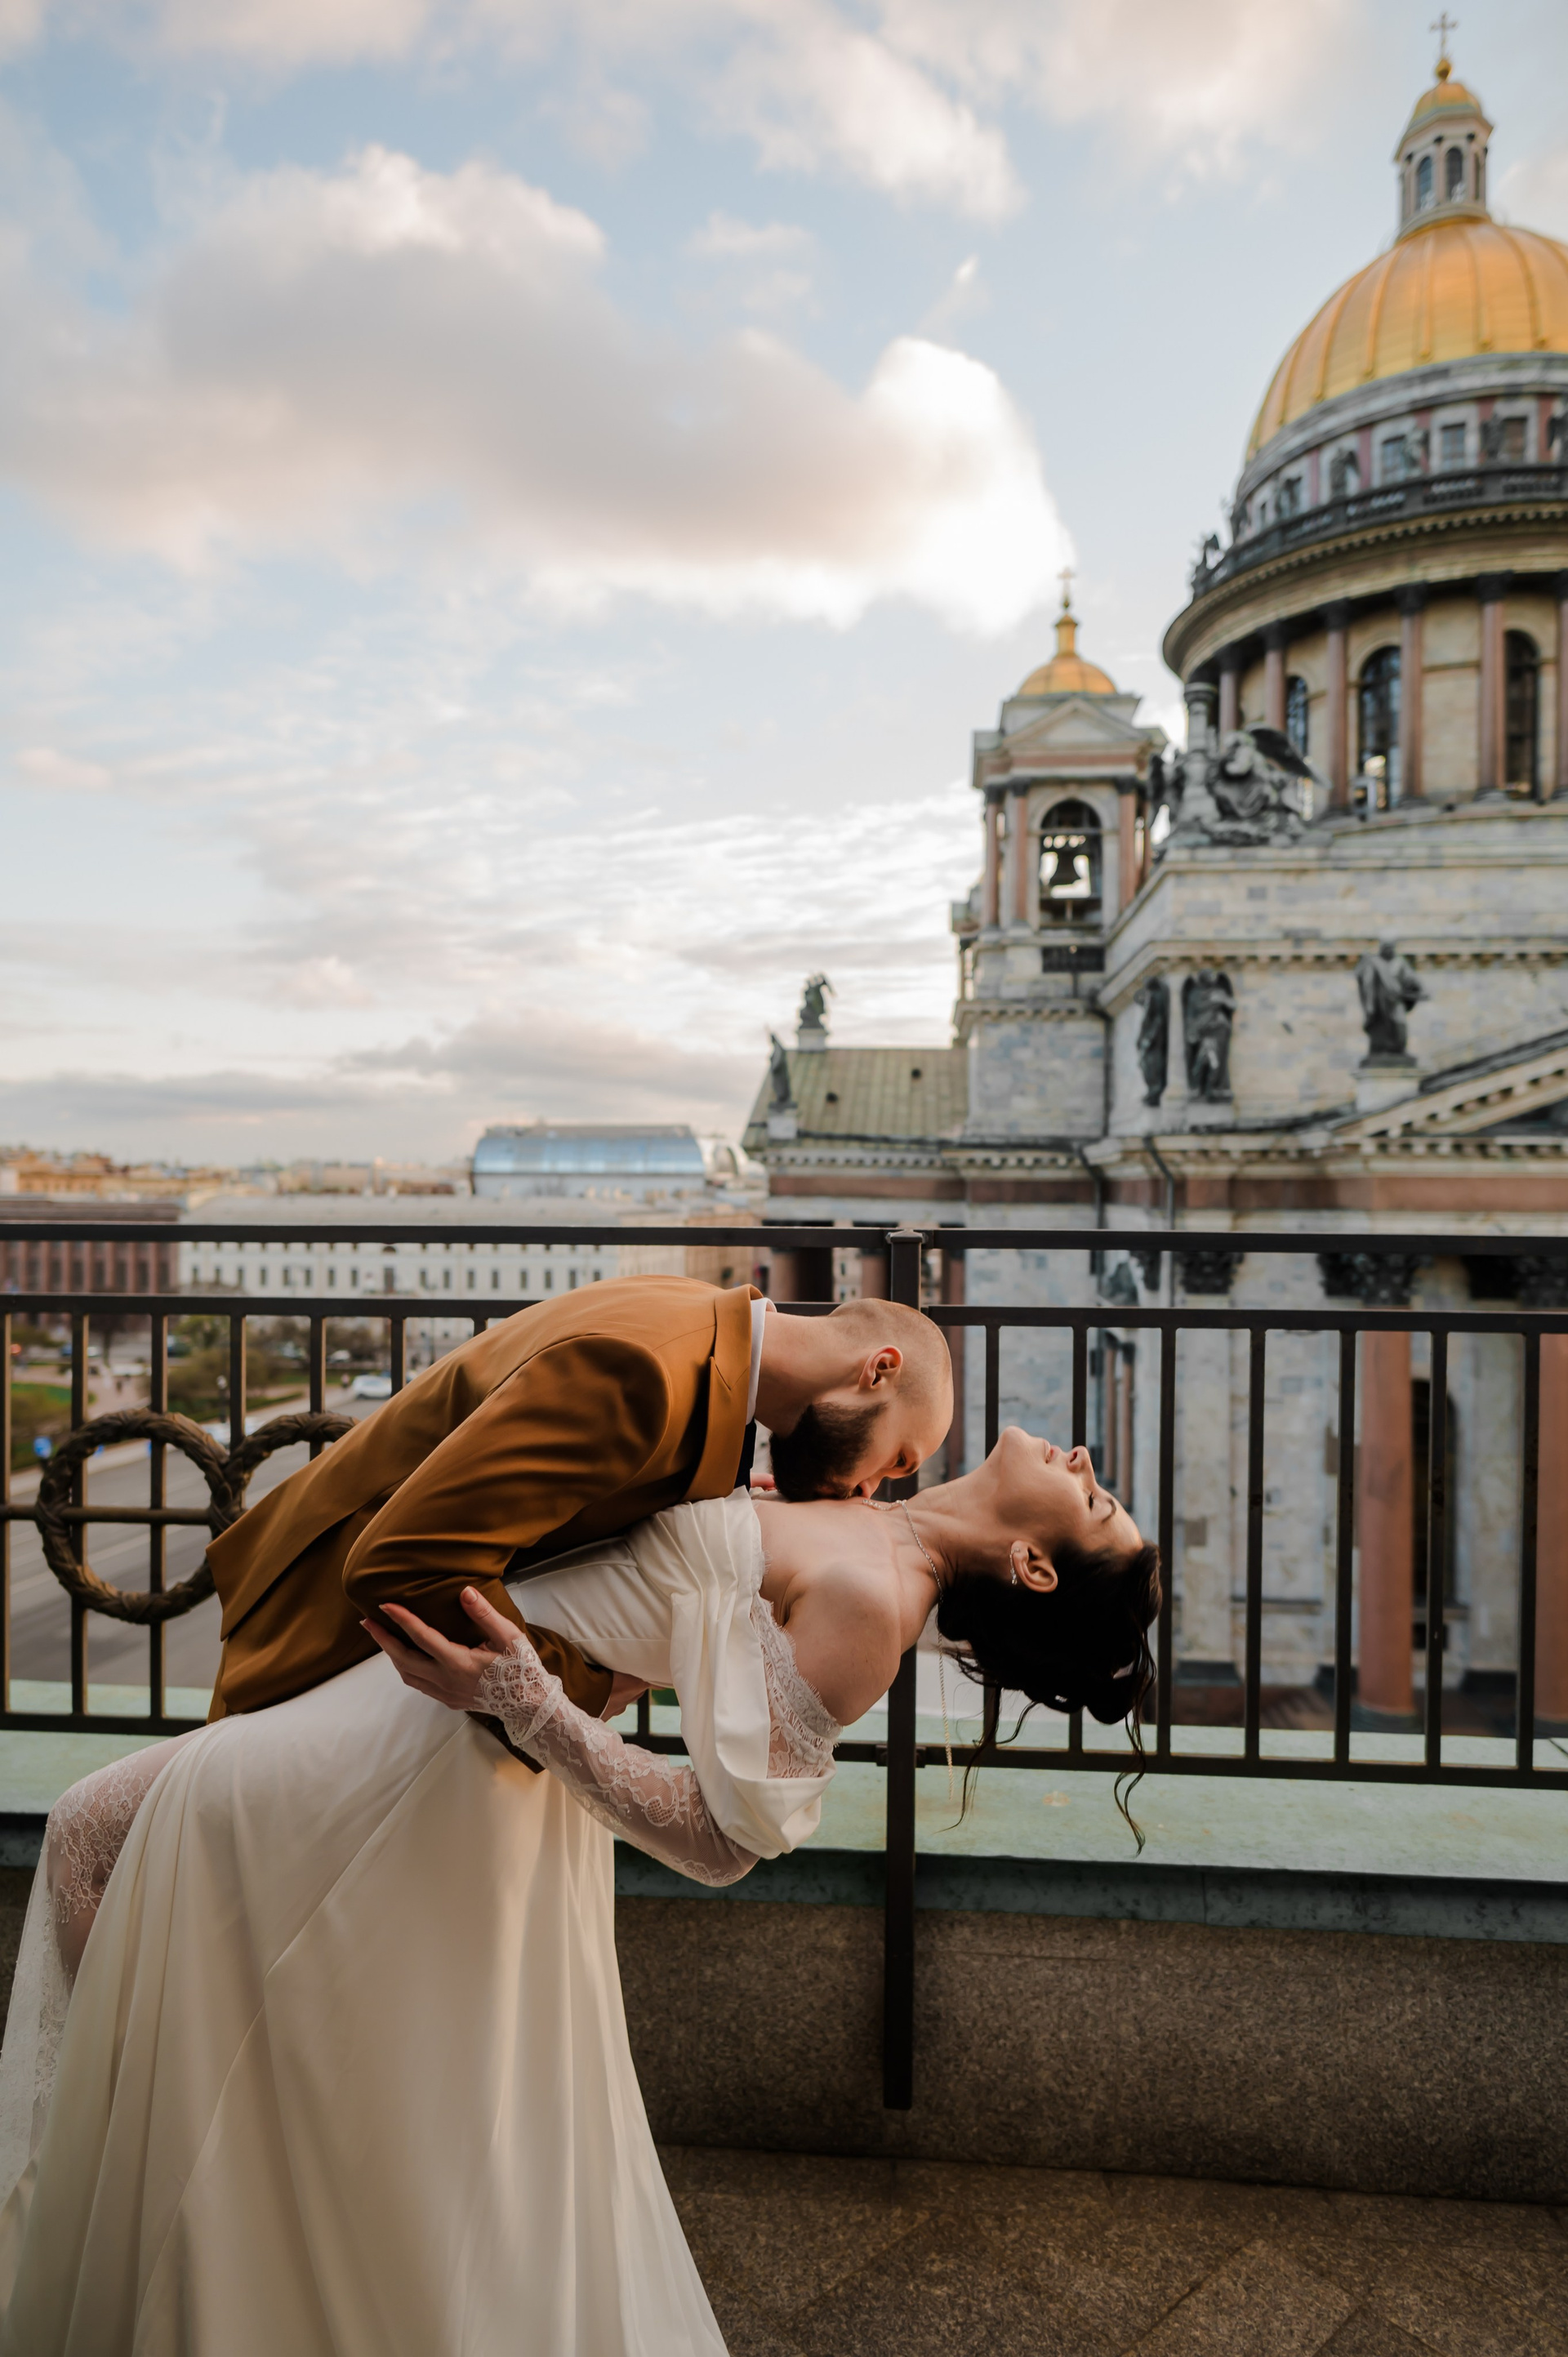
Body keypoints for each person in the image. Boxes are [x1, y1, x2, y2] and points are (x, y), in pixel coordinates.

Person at [0, 1431, 1156, 2355]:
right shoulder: (867, 1506)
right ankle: (174, 2231)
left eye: (1095, 1501)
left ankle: (128, 2222)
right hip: (420, 1718)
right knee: (275, 2004)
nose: (1083, 1464)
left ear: (1035, 1566)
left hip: (439, 1744)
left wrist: (529, 1702)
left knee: (101, 1833)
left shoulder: (877, 1602)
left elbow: (722, 1838)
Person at [205, 1273, 954, 1724]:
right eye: (897, 1459)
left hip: (322, 1617)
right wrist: (579, 1690)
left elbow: (578, 1480)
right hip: (312, 1649)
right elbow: (405, 1564)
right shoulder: (642, 1375)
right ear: (877, 1370)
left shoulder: (697, 1315)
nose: (869, 1489)